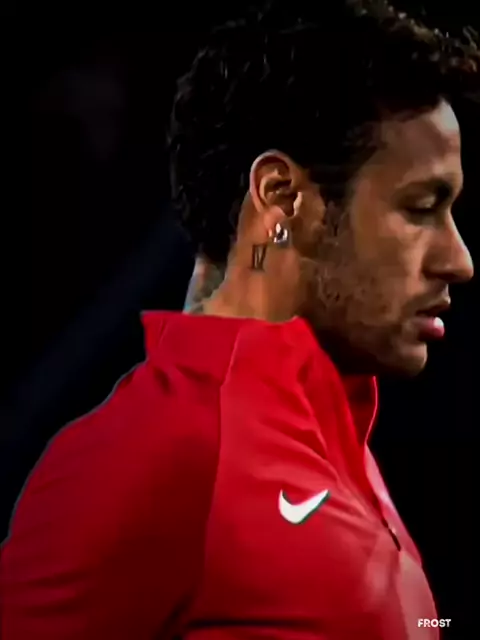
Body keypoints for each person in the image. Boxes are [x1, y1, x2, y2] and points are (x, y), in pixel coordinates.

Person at [2, 1, 478, 638]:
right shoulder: (150, 450)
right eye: (420, 208)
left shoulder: (334, 434)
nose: (459, 260)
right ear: (281, 198)